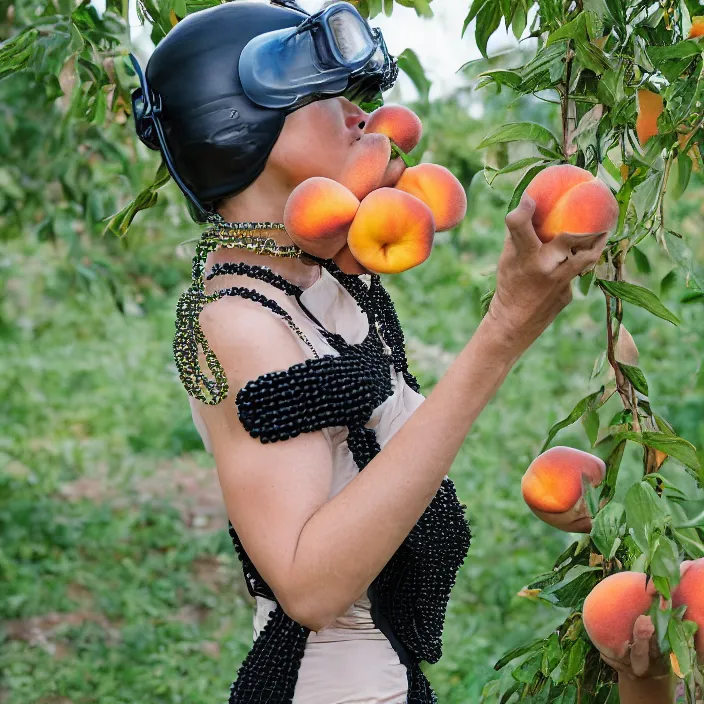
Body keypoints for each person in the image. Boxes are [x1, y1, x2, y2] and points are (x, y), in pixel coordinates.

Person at [129, 1, 677, 701]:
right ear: (241, 127)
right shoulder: (238, 318)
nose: (361, 115)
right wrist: (502, 330)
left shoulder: (324, 287)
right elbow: (308, 584)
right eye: (326, 98)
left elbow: (383, 463)